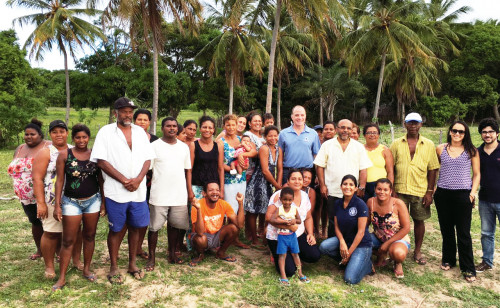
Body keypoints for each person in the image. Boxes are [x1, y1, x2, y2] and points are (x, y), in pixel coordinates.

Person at [90, 97, 155, 284]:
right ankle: (113, 266)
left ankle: (132, 263)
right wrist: (124, 180)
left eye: (130, 111)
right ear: (115, 112)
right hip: (116, 191)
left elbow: (148, 158)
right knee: (116, 229)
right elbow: (101, 160)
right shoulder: (106, 132)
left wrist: (139, 179)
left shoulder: (140, 132)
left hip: (138, 190)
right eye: (124, 111)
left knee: (136, 227)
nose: (128, 114)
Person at [51, 124, 105, 291]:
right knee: (68, 240)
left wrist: (103, 202)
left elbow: (101, 180)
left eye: (84, 137)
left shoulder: (95, 156)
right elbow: (60, 180)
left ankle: (87, 269)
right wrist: (57, 205)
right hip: (71, 202)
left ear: (89, 138)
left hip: (93, 201)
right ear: (73, 138)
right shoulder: (64, 155)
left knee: (89, 236)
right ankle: (61, 278)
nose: (81, 140)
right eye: (78, 137)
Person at [32, 120, 81, 279]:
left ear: (67, 133)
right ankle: (49, 266)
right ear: (50, 134)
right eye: (55, 132)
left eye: (62, 131)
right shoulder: (46, 152)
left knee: (76, 232)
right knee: (51, 232)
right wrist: (41, 203)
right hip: (53, 199)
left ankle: (76, 260)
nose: (59, 134)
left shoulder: (75, 150)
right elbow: (37, 179)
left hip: (75, 199)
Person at [390, 112, 439, 266]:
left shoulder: (429, 144)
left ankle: (417, 251)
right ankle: (396, 247)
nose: (413, 126)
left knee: (419, 221)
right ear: (405, 124)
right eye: (410, 123)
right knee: (396, 222)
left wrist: (429, 192)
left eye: (416, 123)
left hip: (420, 190)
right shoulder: (397, 143)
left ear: (421, 125)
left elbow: (432, 169)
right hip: (400, 189)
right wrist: (392, 189)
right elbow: (390, 167)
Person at [434, 120, 479, 282]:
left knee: (464, 233)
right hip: (443, 194)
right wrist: (433, 189)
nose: (457, 134)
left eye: (461, 132)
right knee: (446, 230)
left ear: (465, 134)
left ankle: (468, 267)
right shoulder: (440, 149)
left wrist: (472, 194)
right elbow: (436, 169)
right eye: (455, 131)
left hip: (463, 195)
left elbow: (476, 174)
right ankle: (448, 259)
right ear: (450, 132)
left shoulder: (471, 151)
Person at [145, 117, 191, 271]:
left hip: (178, 194)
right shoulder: (154, 146)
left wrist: (189, 191)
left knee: (175, 226)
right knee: (154, 228)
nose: (171, 129)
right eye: (168, 126)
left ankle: (172, 253)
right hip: (159, 194)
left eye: (174, 126)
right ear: (162, 128)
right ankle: (151, 258)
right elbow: (149, 169)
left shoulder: (183, 147)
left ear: (177, 128)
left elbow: (187, 170)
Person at [314, 119, 372, 238]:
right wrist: (322, 185)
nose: (345, 130)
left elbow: (363, 169)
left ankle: (349, 242)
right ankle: (332, 245)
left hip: (352, 191)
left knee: (351, 218)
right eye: (342, 127)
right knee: (332, 218)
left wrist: (361, 187)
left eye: (349, 128)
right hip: (332, 190)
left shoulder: (359, 147)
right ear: (337, 129)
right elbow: (319, 166)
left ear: (352, 130)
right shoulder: (327, 145)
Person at [319, 175, 373, 284]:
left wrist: (349, 253)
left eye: (351, 184)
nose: (347, 187)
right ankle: (351, 260)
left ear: (356, 188)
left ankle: (368, 266)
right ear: (341, 186)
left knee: (350, 279)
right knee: (324, 247)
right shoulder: (337, 203)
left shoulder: (360, 204)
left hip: (361, 244)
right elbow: (336, 226)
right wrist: (342, 242)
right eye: (345, 184)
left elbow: (361, 232)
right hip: (346, 240)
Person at [8, 119, 50, 261]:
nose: (29, 137)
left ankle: (56, 251)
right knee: (35, 222)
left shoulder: (48, 146)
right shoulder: (20, 148)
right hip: (25, 197)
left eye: (32, 134)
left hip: (43, 194)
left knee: (49, 223)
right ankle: (40, 250)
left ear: (40, 135)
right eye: (26, 134)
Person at [266, 170, 320, 277]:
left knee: (314, 255)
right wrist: (288, 225)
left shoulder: (305, 196)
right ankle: (277, 254)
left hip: (296, 235)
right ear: (288, 181)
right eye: (293, 179)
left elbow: (308, 217)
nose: (297, 181)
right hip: (278, 237)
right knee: (290, 271)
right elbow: (268, 217)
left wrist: (310, 233)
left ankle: (291, 253)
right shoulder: (279, 196)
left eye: (300, 179)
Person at [187, 116, 225, 252]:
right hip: (197, 186)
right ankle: (194, 245)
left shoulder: (218, 145)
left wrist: (222, 189)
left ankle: (212, 244)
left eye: (210, 127)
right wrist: (190, 190)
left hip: (213, 188)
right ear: (200, 128)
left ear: (214, 130)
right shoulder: (193, 145)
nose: (207, 130)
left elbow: (220, 168)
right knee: (195, 217)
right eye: (204, 127)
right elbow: (189, 169)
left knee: (213, 216)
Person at [189, 182, 245, 266]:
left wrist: (240, 203)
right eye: (211, 190)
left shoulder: (223, 204)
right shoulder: (197, 205)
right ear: (204, 193)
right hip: (201, 237)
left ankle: (221, 253)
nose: (215, 192)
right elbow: (199, 232)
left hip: (216, 236)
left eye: (217, 190)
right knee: (201, 239)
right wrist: (199, 209)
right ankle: (200, 255)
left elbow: (240, 225)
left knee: (234, 228)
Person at [244, 125, 283, 248]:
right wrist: (277, 185)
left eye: (275, 135)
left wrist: (278, 186)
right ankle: (254, 239)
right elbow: (265, 171)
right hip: (257, 182)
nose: (273, 138)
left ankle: (264, 236)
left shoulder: (279, 150)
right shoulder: (264, 149)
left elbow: (280, 169)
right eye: (270, 135)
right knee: (253, 211)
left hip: (268, 183)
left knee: (265, 209)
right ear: (265, 137)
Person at [217, 114, 250, 249]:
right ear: (224, 126)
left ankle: (235, 238)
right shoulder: (221, 142)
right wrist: (231, 171)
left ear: (238, 126)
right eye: (228, 125)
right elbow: (219, 164)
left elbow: (250, 152)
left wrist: (244, 163)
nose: (231, 127)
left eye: (233, 125)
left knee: (238, 208)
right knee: (227, 210)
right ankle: (222, 238)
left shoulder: (240, 139)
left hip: (241, 180)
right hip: (228, 180)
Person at [367, 178, 411, 279]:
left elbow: (406, 228)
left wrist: (386, 244)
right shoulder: (371, 202)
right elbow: (366, 222)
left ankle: (397, 262)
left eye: (385, 190)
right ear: (375, 189)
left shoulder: (398, 204)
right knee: (361, 242)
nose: (382, 192)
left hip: (398, 238)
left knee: (398, 254)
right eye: (379, 189)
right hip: (378, 237)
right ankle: (381, 254)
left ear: (390, 191)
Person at [270, 187, 310, 285]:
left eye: (289, 200)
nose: (287, 202)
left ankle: (300, 273)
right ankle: (283, 277)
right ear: (280, 199)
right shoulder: (279, 209)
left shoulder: (294, 209)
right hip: (282, 236)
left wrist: (294, 221)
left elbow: (299, 221)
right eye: (285, 199)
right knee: (282, 256)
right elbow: (272, 219)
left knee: (296, 254)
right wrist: (283, 221)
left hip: (292, 236)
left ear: (292, 200)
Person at [132, 108, 158, 260]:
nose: (142, 122)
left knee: (143, 217)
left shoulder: (155, 140)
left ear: (150, 122)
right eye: (139, 119)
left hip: (149, 184)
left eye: (145, 120)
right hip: (129, 182)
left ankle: (138, 247)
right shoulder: (128, 137)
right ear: (134, 121)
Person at [476, 118, 500, 273]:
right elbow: (475, 175)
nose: (487, 134)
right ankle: (487, 261)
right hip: (485, 199)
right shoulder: (478, 152)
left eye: (490, 131)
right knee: (486, 233)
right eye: (484, 132)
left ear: (497, 133)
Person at [278, 105, 321, 184]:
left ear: (305, 116)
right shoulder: (283, 133)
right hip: (288, 172)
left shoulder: (313, 133)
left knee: (308, 195)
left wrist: (318, 175)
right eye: (297, 115)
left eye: (302, 115)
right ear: (292, 117)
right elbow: (280, 158)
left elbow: (317, 156)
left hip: (307, 172)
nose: (300, 118)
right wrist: (279, 178)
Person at [313, 120, 336, 238]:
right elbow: (317, 161)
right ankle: (316, 229)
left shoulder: (337, 144)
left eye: (331, 129)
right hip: (319, 177)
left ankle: (324, 229)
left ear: (335, 131)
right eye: (326, 129)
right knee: (318, 204)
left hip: (332, 178)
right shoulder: (319, 144)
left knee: (327, 206)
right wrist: (317, 175)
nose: (328, 131)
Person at [363, 123, 394, 201]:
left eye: (375, 133)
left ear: (378, 135)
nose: (372, 135)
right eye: (369, 133)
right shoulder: (360, 149)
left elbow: (390, 172)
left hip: (381, 187)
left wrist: (389, 188)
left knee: (378, 210)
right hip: (363, 186)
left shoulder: (385, 150)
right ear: (364, 135)